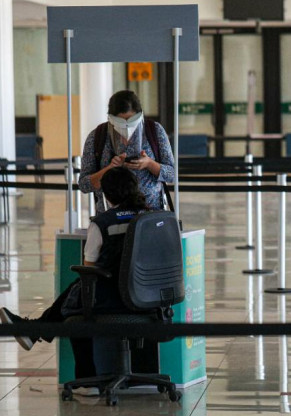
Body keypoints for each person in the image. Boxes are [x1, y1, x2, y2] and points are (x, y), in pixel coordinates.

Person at [0, 167, 148, 377]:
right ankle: (33, 330)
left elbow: (89, 269)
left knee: (76, 305)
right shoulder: (152, 218)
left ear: (106, 195)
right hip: (149, 299)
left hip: (112, 300)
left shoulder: (102, 223)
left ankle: (86, 381)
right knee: (78, 293)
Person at [79, 90, 175, 214]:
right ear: (111, 117)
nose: (126, 126)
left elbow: (172, 174)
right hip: (110, 217)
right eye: (120, 121)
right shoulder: (97, 137)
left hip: (150, 214)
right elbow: (84, 185)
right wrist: (108, 170)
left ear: (139, 115)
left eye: (131, 119)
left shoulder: (155, 131)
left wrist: (150, 164)